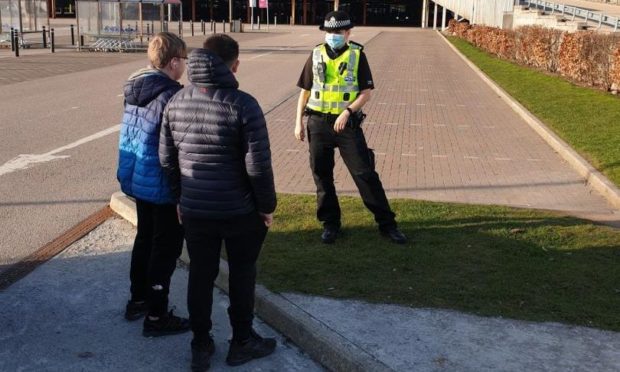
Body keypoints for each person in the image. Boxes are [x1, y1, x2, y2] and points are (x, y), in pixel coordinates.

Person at [159, 34, 277, 371]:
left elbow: (166, 159)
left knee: (200, 273)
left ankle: (201, 343)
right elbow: (258, 166)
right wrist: (266, 206)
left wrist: (180, 198)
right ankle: (242, 341)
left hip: (195, 210)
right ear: (234, 65)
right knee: (242, 274)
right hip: (239, 211)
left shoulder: (176, 102)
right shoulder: (243, 104)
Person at [294, 10, 407, 245]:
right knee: (322, 175)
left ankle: (387, 224)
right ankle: (330, 224)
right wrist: (298, 123)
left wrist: (347, 112)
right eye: (329, 32)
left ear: (348, 33)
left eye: (338, 32)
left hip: (347, 125)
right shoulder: (316, 54)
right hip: (317, 123)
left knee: (364, 173)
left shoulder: (357, 54)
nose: (333, 36)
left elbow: (366, 94)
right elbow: (304, 91)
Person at [116, 32, 191, 337]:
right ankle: (158, 317)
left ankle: (138, 299)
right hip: (159, 183)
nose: (185, 66)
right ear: (173, 62)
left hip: (137, 177)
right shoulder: (171, 95)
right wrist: (180, 193)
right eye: (184, 60)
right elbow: (172, 150)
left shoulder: (137, 87)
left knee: (145, 238)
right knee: (166, 248)